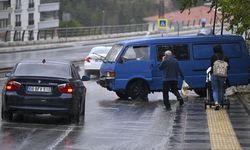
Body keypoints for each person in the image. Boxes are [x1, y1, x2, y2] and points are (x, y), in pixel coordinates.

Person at [210, 44, 229, 110]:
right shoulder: (225, 57)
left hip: (214, 75)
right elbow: (228, 67)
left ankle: (216, 103)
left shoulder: (213, 57)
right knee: (221, 89)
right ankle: (220, 103)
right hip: (223, 75)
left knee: (215, 90)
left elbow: (211, 66)